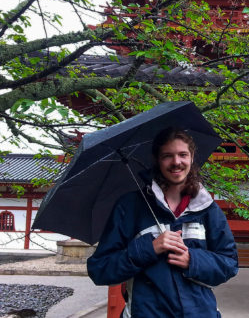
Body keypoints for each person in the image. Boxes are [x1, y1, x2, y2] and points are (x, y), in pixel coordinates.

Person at [87, 127, 238, 318]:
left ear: (192, 157)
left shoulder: (207, 209)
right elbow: (100, 270)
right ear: (158, 160)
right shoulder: (130, 207)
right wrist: (149, 249)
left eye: (182, 154)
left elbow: (229, 264)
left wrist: (194, 260)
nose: (176, 162)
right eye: (168, 156)